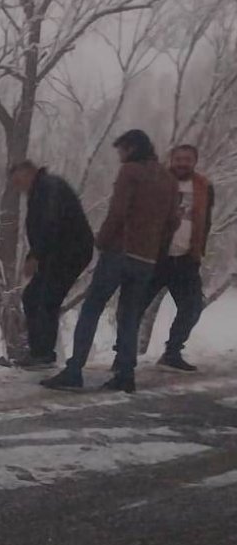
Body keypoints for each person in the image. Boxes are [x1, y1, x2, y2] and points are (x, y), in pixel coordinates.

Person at [42, 130, 179, 393]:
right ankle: (126, 375)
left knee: (91, 308)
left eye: (121, 151)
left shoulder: (130, 172)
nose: (119, 157)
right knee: (129, 316)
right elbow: (173, 221)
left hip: (120, 251)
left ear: (131, 148)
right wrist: (156, 249)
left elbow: (118, 211)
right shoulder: (168, 179)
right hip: (146, 258)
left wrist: (102, 241)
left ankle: (74, 371)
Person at [8, 161, 93, 370]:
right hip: (56, 252)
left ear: (28, 172)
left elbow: (50, 223)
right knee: (32, 296)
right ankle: (39, 352)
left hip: (70, 252)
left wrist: (35, 256)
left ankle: (43, 355)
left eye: (18, 181)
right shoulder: (40, 190)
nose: (18, 188)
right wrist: (33, 255)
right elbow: (41, 230)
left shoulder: (48, 188)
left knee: (47, 299)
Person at [142, 144, 215, 372]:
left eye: (187, 159)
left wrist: (198, 250)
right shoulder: (157, 181)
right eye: (179, 158)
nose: (182, 163)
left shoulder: (204, 186)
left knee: (192, 306)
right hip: (156, 256)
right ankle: (121, 354)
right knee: (134, 306)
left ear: (194, 161)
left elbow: (206, 220)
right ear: (171, 159)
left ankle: (172, 351)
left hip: (186, 258)